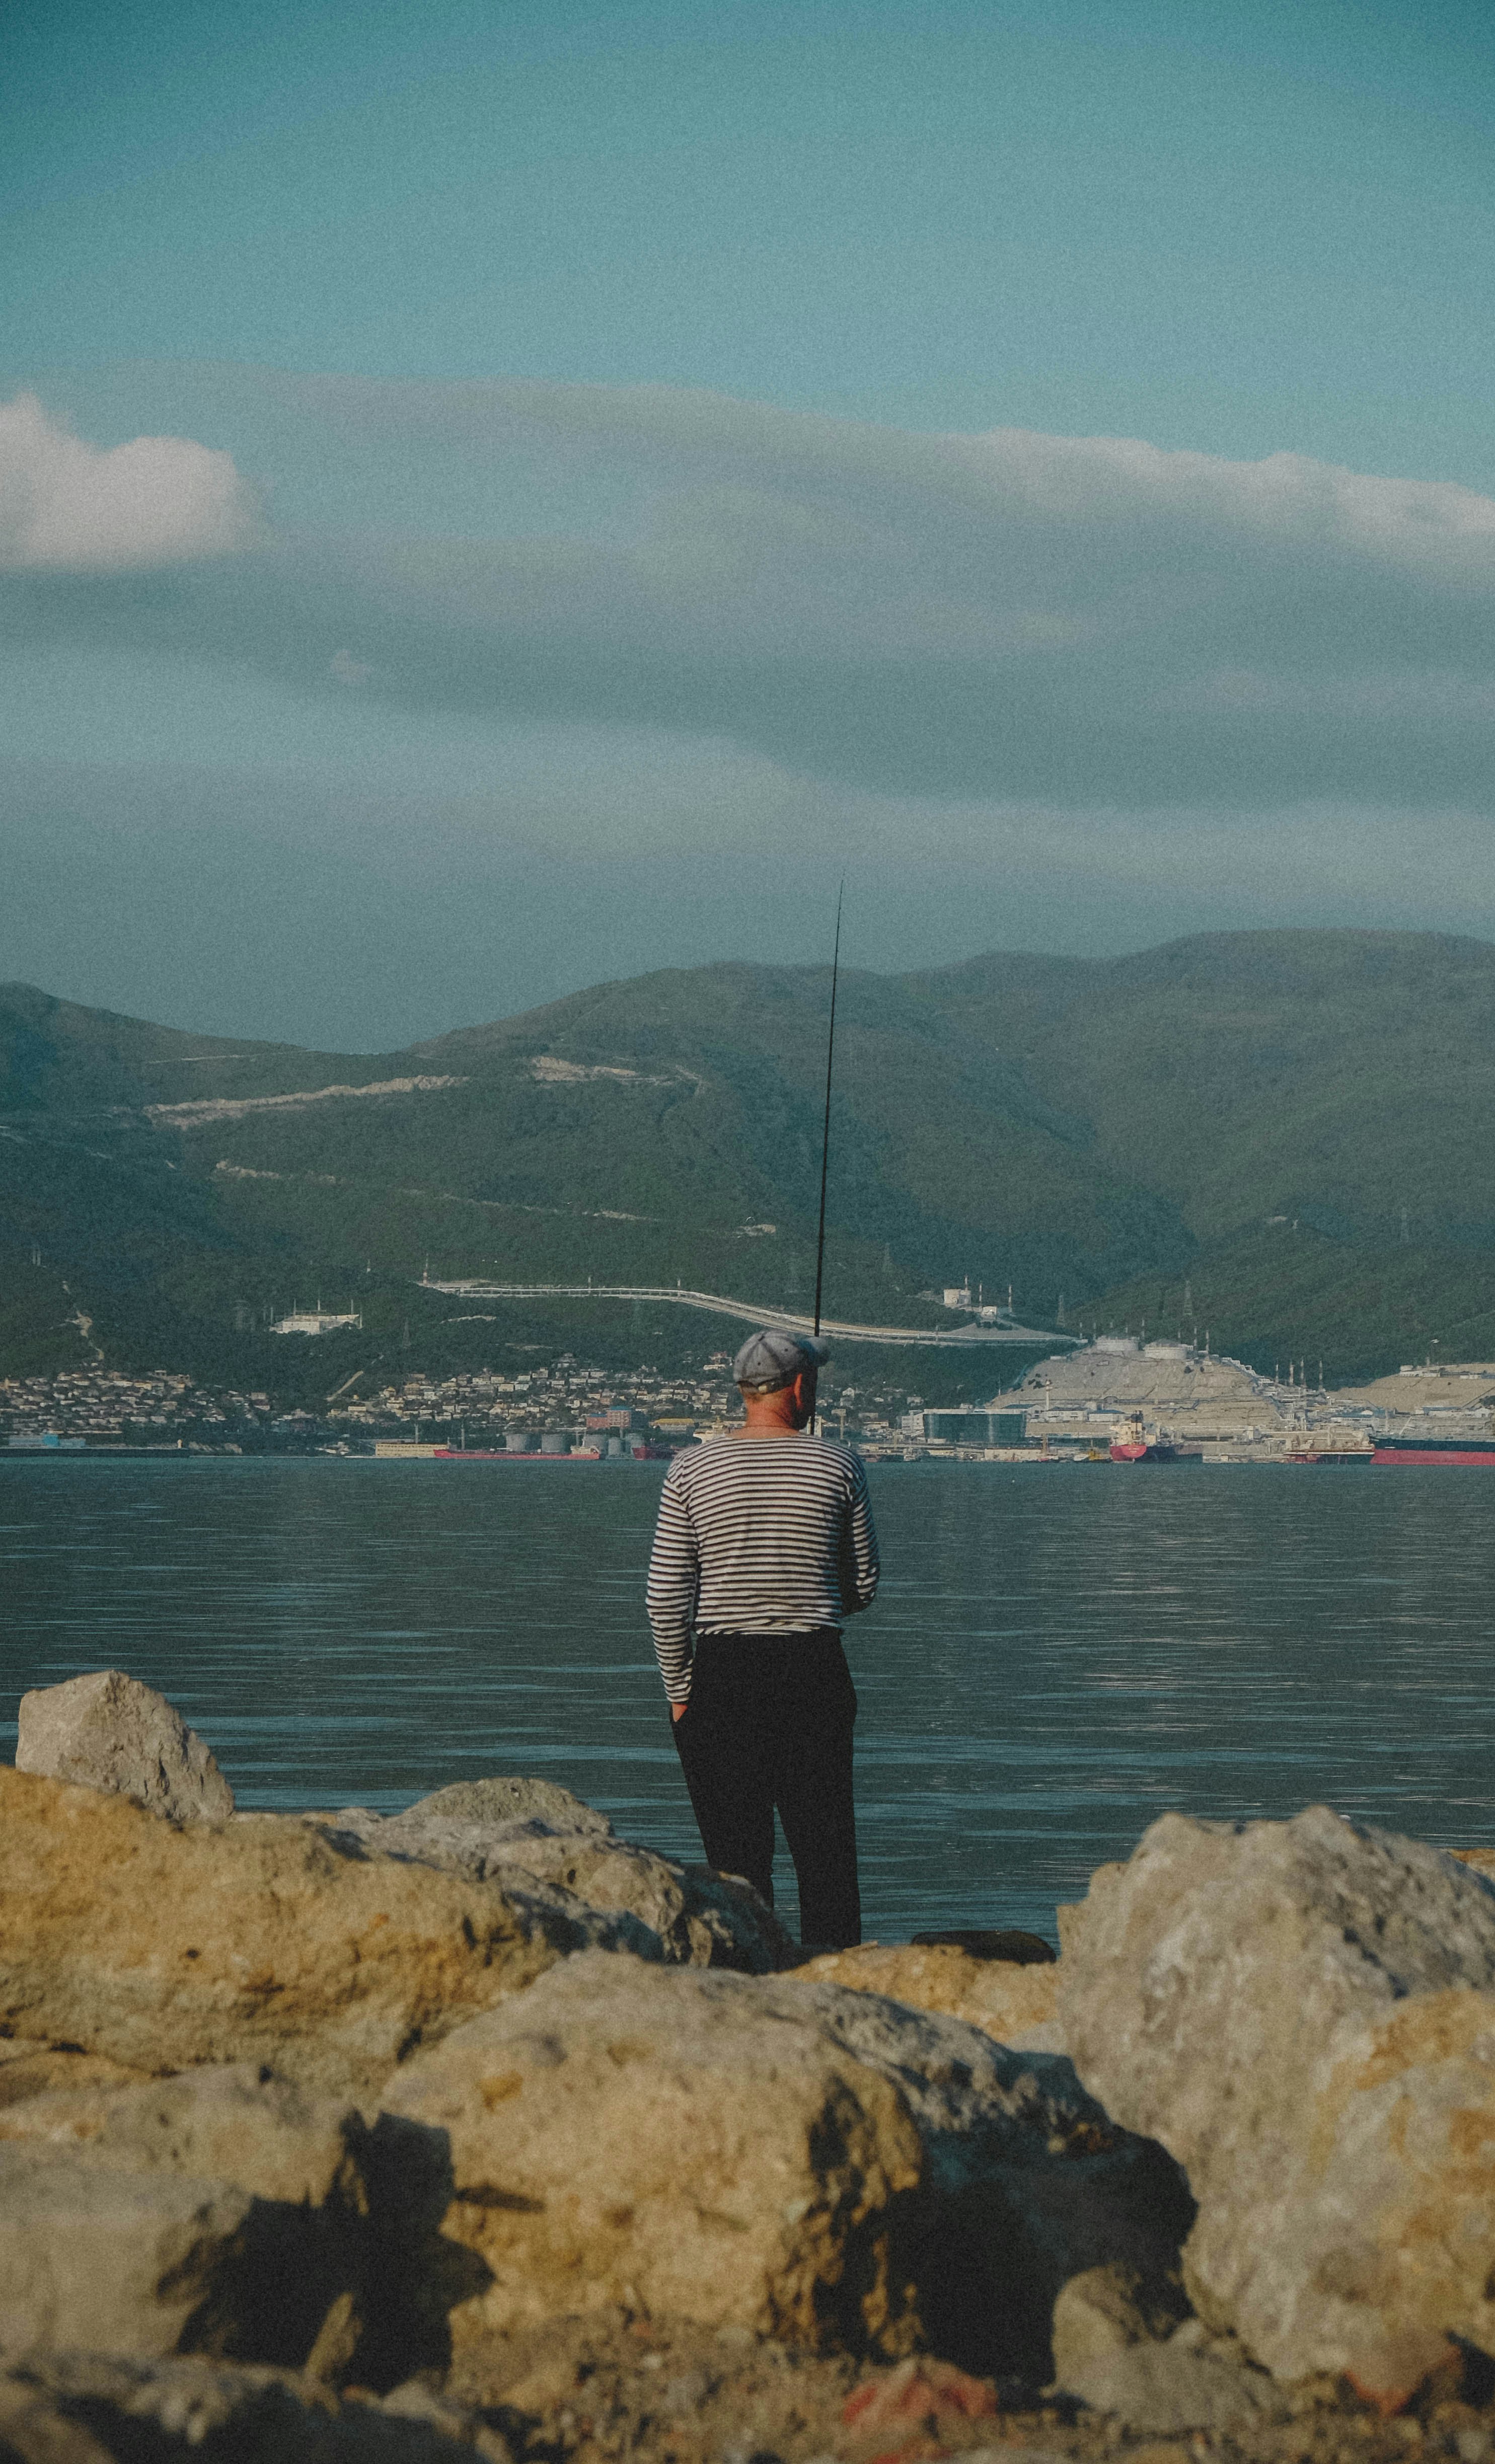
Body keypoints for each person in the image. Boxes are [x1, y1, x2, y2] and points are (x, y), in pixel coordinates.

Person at [645, 1326, 880, 1951]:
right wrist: (812, 1599)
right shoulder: (840, 1463)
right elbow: (863, 1583)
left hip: (723, 1674)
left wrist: (680, 1690)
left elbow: (666, 1597)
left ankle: (748, 1989)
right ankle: (839, 1990)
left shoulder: (690, 1468)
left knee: (736, 1866)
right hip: (814, 1670)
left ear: (744, 1391)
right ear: (801, 1385)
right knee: (826, 1856)